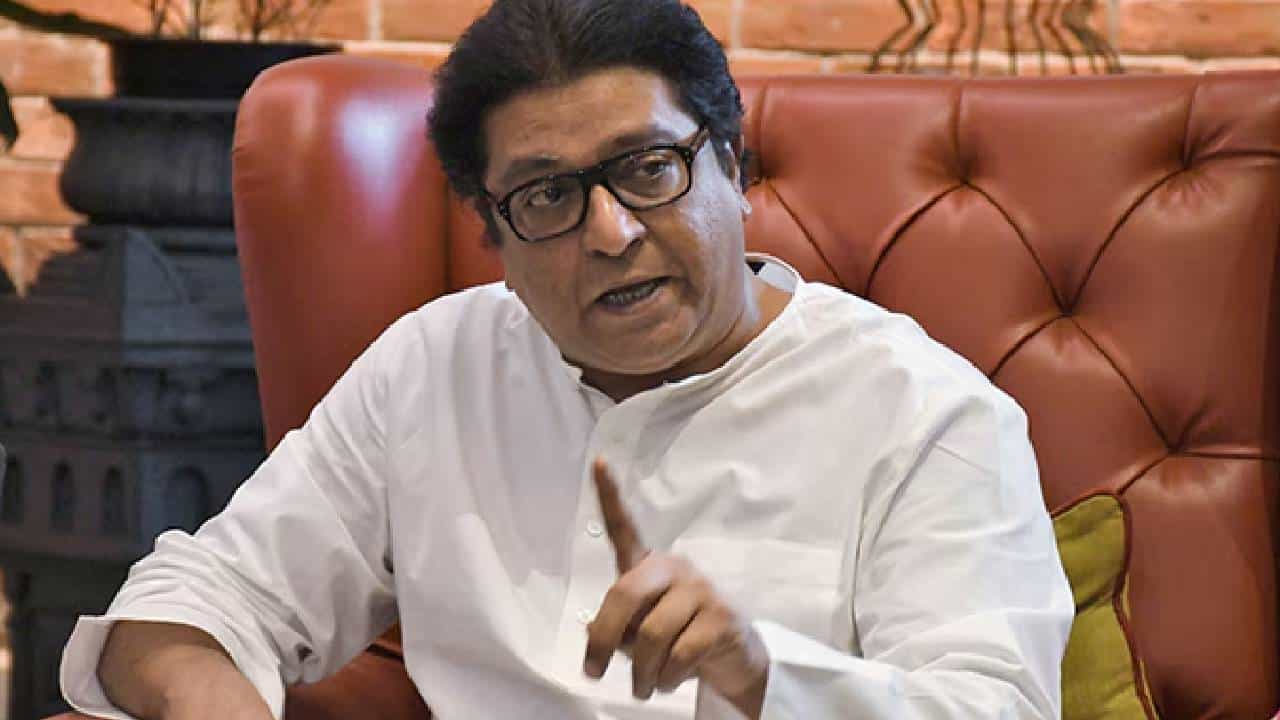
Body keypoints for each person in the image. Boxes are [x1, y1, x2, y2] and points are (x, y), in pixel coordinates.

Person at [60, 1, 1074, 718]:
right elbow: (204, 597)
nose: (611, 233)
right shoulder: (434, 365)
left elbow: (995, 705)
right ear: (492, 232)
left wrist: (762, 672)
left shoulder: (923, 412)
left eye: (648, 169)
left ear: (732, 167)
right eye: (546, 195)